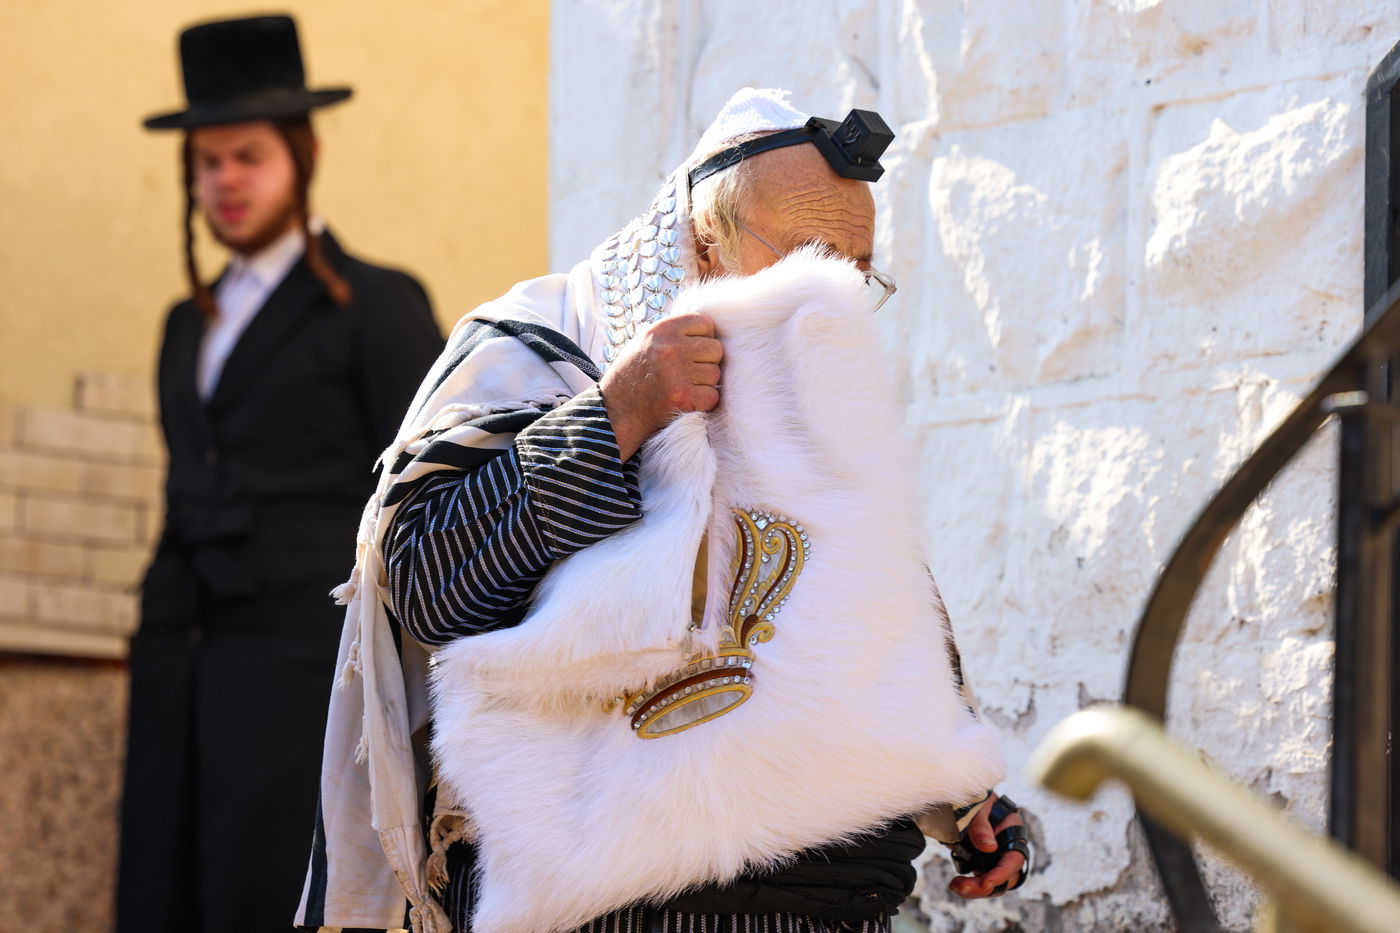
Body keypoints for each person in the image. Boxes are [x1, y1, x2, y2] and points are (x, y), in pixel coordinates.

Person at [299, 88, 1031, 933]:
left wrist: (967, 797)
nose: (831, 299)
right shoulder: (538, 350)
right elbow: (428, 585)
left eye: (855, 275)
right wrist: (621, 411)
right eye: (808, 257)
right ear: (703, 243)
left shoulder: (817, 409)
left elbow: (873, 619)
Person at [119, 15, 444, 933]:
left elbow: (424, 505)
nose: (224, 179)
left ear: (301, 156)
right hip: (183, 674)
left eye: (247, 156)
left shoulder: (378, 305)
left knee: (265, 899)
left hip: (304, 686)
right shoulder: (187, 326)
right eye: (207, 160)